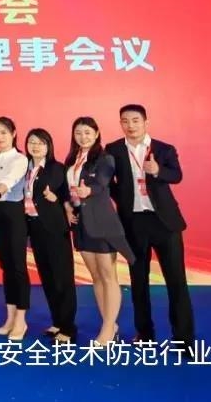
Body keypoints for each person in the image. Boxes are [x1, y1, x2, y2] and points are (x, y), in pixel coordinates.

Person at [106, 104, 194, 349]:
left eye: (135, 120)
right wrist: (122, 199)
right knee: (138, 282)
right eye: (125, 121)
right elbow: (108, 182)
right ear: (120, 124)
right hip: (133, 222)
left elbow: (177, 175)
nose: (130, 125)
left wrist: (158, 171)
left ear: (146, 122)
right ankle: (144, 333)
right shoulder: (113, 150)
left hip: (164, 222)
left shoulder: (164, 149)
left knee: (176, 281)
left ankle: (184, 339)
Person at [64, 117, 135, 347]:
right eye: (78, 133)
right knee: (96, 277)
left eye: (87, 132)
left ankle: (107, 328)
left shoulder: (105, 158)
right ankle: (110, 324)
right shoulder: (71, 159)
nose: (82, 137)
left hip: (102, 223)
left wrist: (89, 190)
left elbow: (102, 182)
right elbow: (67, 190)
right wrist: (67, 206)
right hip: (81, 224)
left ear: (96, 134)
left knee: (108, 275)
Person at [23, 128, 77, 343]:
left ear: (48, 146)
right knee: (47, 277)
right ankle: (57, 321)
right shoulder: (25, 167)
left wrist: (54, 197)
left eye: (41, 143)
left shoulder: (56, 168)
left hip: (54, 229)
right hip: (34, 228)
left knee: (62, 278)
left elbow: (61, 193)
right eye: (32, 142)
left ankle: (68, 328)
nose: (35, 146)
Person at [0, 117, 31, 341]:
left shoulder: (20, 159)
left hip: (12, 214)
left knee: (18, 267)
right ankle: (10, 318)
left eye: (3, 132)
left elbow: (9, 180)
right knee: (6, 267)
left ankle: (21, 320)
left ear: (14, 133)